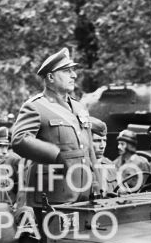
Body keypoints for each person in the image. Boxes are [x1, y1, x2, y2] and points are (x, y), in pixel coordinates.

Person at [10, 47, 96, 211]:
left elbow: (89, 147)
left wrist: (97, 181)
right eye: (66, 71)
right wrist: (55, 155)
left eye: (73, 70)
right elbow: (19, 139)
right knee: (54, 236)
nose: (74, 75)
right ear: (50, 77)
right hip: (53, 195)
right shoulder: (35, 107)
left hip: (84, 192)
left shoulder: (79, 107)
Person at [89, 118, 117, 198]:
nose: (102, 146)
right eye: (97, 141)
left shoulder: (110, 164)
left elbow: (123, 191)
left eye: (104, 141)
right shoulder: (81, 165)